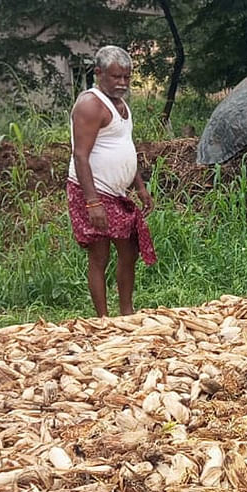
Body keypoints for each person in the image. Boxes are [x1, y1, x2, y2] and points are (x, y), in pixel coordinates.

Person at [68, 45, 156, 317]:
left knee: (129, 251)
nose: (122, 83)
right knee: (99, 255)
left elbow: (125, 146)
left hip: (118, 193)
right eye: (116, 77)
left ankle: (126, 312)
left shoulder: (121, 105)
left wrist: (140, 187)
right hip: (93, 192)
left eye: (127, 77)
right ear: (98, 73)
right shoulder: (90, 104)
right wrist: (92, 202)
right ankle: (103, 320)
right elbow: (80, 156)